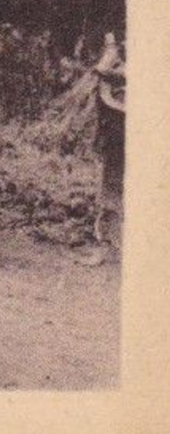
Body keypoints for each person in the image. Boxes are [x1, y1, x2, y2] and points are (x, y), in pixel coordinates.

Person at [88, 33, 126, 264]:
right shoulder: (115, 61)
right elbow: (101, 71)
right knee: (111, 184)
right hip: (116, 132)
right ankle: (107, 244)